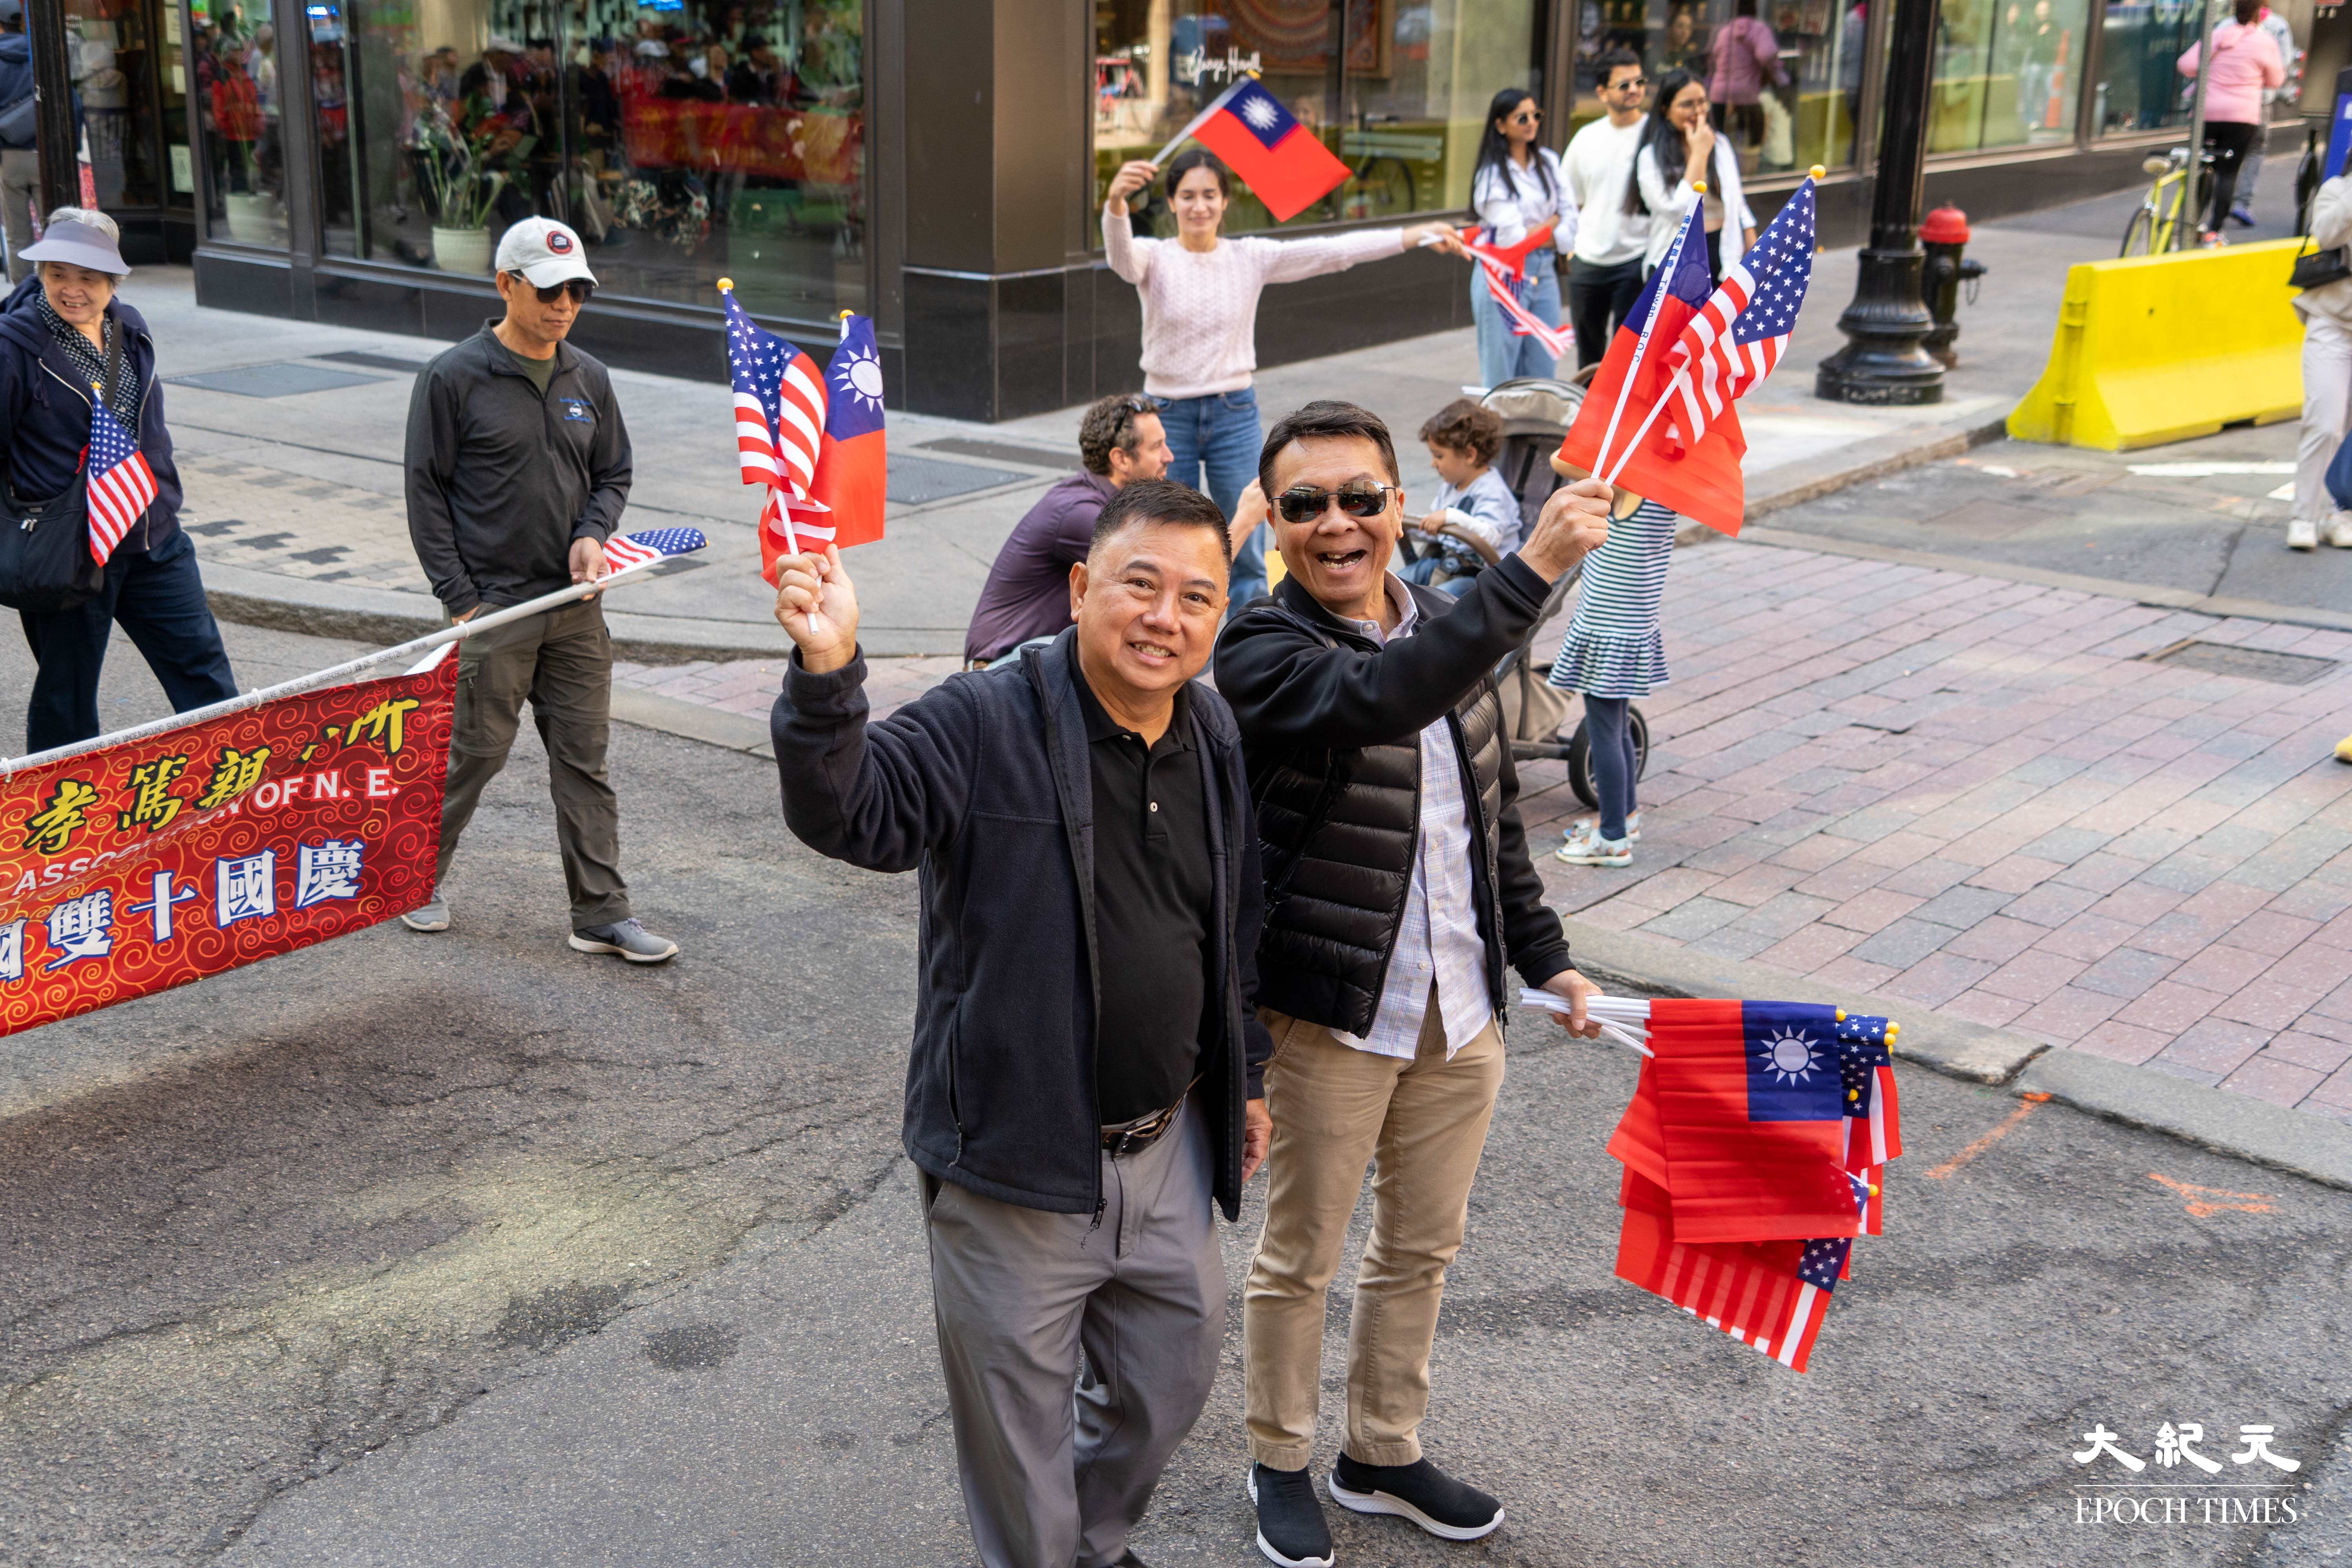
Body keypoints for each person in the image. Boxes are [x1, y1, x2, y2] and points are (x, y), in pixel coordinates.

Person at [768, 480, 1276, 1568]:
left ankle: (1088, 1540)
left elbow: (1229, 921)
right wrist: (827, 675)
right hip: (1015, 1156)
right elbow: (855, 810)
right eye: (1140, 585)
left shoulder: (1211, 727)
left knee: (1168, 1382)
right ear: (1084, 587)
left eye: (1196, 597)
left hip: (1167, 1142)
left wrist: (1254, 1073)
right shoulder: (987, 715)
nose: (1165, 618)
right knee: (1018, 1437)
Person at [1213, 401, 1608, 1568]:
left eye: (1358, 497)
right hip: (1331, 1011)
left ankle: (1379, 1447)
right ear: (1275, 528)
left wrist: (1546, 958)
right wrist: (1532, 568)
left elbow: (1487, 831)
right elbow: (1373, 701)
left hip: (1460, 1007)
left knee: (1420, 1250)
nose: (1335, 524)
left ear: (1398, 506)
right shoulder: (1258, 649)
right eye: (1304, 505)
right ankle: (1278, 1456)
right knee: (1302, 1257)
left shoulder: (1447, 622)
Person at [399, 217, 674, 964]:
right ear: (506, 286)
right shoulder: (453, 376)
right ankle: (412, 879)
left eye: (577, 292)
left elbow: (612, 472)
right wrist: (460, 599)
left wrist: (595, 532)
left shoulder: (591, 377)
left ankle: (601, 913)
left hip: (577, 607)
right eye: (550, 291)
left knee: (584, 759)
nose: (564, 307)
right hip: (495, 607)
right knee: (476, 753)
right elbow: (425, 492)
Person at [1102, 148, 1462, 611]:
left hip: (1234, 412)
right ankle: (1181, 645)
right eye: (1187, 195)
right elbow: (1120, 258)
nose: (1199, 206)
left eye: (1210, 195)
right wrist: (1116, 202)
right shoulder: (1153, 257)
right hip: (1168, 415)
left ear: (1225, 201)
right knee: (1173, 534)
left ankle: (1248, 644)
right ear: (1171, 202)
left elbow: (1334, 253)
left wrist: (1413, 235)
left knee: (1252, 541)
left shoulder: (1249, 256)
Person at [0, 209, 238, 751]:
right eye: (59, 273)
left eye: (89, 277)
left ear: (114, 280)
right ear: (41, 274)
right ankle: (64, 823)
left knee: (205, 675)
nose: (73, 289)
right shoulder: (14, 345)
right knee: (67, 695)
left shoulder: (130, 328)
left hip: (152, 535)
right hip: (70, 549)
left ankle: (233, 795)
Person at [964, 392, 1173, 666]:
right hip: (1002, 668)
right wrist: (1244, 519)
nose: (1169, 456)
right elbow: (1173, 575)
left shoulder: (1099, 500)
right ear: (1121, 459)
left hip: (1035, 656)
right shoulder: (1082, 514)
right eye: (1157, 447)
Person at [1544, 462, 1679, 864]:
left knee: (1604, 732)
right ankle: (1626, 817)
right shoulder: (1665, 493)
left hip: (1607, 631)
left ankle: (1613, 838)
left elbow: (1561, 460)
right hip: (1632, 627)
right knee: (1616, 727)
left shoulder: (1622, 482)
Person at [1469, 87, 1574, 389]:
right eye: (1521, 117)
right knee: (1501, 372)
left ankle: (1534, 437)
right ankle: (1501, 437)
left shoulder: (1550, 162)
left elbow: (1571, 222)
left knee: (1543, 369)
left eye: (1535, 115)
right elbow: (1512, 239)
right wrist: (1552, 224)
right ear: (1500, 125)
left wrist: (1542, 231)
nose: (1531, 122)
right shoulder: (1491, 175)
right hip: (1504, 275)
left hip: (1544, 271)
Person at [1564, 49, 1651, 369]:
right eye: (1624, 84)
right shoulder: (1587, 138)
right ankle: (1592, 418)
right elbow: (1570, 200)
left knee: (1629, 356)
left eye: (1639, 82)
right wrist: (1572, 249)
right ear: (1601, 92)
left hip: (1635, 259)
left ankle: (1623, 419)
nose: (1634, 90)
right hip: (1588, 262)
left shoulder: (1655, 136)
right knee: (1589, 356)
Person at [1631, 69, 1756, 282]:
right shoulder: (1650, 156)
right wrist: (1699, 154)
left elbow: (1738, 202)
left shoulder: (1721, 144)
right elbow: (1680, 213)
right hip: (1675, 261)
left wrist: (1754, 252)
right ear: (1665, 110)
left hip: (1722, 256)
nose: (1698, 111)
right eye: (1687, 104)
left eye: (1703, 102)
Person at [2178, 0, 2283, 248]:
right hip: (2242, 118)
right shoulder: (2265, 42)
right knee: (2228, 173)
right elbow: (2276, 80)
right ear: (2260, 12)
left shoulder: (2218, 35)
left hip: (2208, 113)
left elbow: (2186, 65)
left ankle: (2191, 223)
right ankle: (2214, 231)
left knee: (2202, 166)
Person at [2288, 172, 2352, 551]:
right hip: (2331, 323)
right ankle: (2303, 516)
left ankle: (2340, 515)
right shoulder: (2337, 190)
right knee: (2324, 423)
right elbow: (2327, 236)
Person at [1402, 398, 1519, 595]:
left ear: (1469, 455)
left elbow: (1491, 537)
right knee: (1392, 583)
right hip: (1447, 563)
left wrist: (1451, 516)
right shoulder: (1450, 485)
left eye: (1439, 456)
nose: (1433, 464)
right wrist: (1403, 524)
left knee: (1437, 600)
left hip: (1482, 577)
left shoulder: (1493, 491)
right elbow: (1434, 527)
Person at [2228, 2, 2299, 225]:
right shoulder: (2277, 25)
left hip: (2222, 101)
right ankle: (2242, 203)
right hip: (2259, 102)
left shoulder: (2226, 25)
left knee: (2222, 152)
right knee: (2256, 150)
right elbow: (2284, 63)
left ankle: (2208, 204)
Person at [1707, 0, 1786, 157]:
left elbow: (1711, 58)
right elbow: (1766, 54)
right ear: (1755, 8)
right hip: (1747, 98)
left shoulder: (1724, 30)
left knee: (1717, 145)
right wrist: (1779, 76)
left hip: (1719, 96)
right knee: (1751, 149)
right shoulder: (1759, 30)